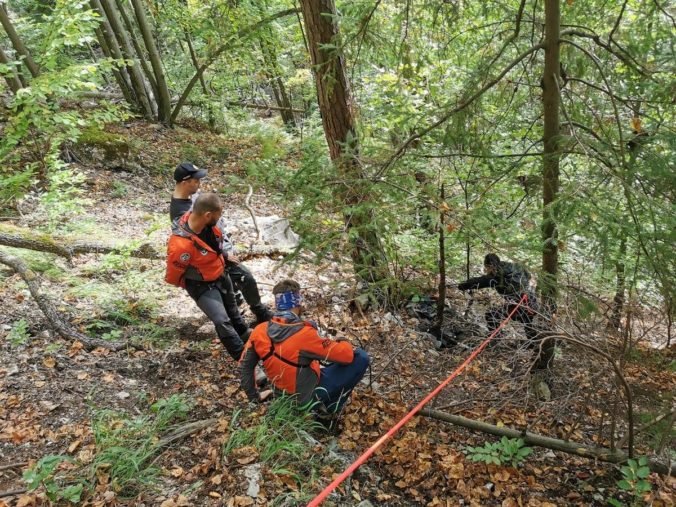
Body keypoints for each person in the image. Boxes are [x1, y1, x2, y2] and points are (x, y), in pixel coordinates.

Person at [239, 279, 370, 421]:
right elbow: (347, 356)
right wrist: (342, 339)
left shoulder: (259, 330)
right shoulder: (304, 333)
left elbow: (245, 366)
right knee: (361, 357)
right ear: (297, 302)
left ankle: (309, 407)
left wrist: (254, 397)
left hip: (283, 395)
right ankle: (329, 408)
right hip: (305, 398)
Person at [170, 162, 272, 324]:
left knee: (243, 280)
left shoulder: (194, 198)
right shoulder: (179, 213)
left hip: (220, 250)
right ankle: (248, 321)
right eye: (195, 181)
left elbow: (215, 225)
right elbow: (199, 240)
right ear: (184, 183)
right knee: (244, 278)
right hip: (209, 259)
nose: (199, 183)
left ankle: (255, 312)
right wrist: (224, 254)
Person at [165, 192, 251, 360]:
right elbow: (174, 275)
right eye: (219, 214)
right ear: (208, 215)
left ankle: (247, 337)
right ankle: (245, 361)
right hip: (201, 286)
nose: (221, 217)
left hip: (220, 275)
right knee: (221, 320)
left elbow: (214, 248)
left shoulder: (213, 227)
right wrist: (193, 285)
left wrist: (225, 257)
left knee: (233, 312)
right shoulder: (180, 245)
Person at [457, 253, 538, 343]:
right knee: (529, 323)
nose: (487, 270)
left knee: (491, 315)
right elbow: (528, 275)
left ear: (490, 266)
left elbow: (479, 282)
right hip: (532, 301)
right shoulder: (513, 267)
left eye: (487, 267)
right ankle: (536, 345)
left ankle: (495, 339)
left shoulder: (495, 277)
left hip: (519, 305)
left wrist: (462, 285)